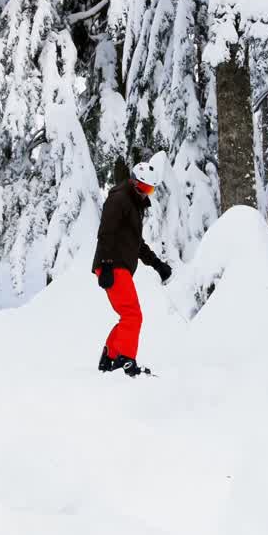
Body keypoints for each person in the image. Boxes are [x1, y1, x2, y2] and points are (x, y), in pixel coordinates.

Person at [93, 160, 172, 377]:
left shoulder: (134, 204)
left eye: (151, 190)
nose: (148, 194)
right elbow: (105, 232)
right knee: (132, 315)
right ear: (135, 183)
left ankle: (110, 359)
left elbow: (136, 243)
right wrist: (107, 265)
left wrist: (157, 264)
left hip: (120, 266)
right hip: (113, 264)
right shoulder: (119, 199)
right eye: (145, 188)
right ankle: (126, 360)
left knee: (128, 315)